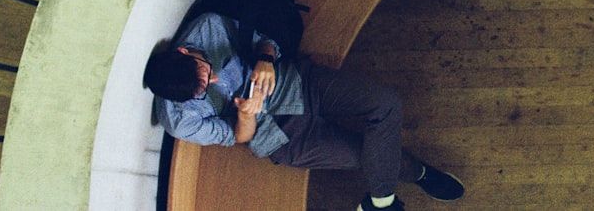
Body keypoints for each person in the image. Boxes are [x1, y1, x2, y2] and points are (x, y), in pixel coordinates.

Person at [145, 11, 464, 210]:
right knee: (366, 153)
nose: (213, 79)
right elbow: (240, 138)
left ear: (185, 50)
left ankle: (381, 203)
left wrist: (266, 59)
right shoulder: (180, 120)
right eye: (204, 89)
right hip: (281, 138)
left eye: (206, 70)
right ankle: (418, 174)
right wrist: (246, 115)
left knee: (386, 104)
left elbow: (265, 41)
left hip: (296, 84)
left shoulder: (208, 28)